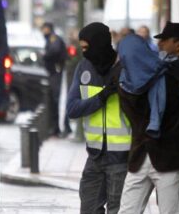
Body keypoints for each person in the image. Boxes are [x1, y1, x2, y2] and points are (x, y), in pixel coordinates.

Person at [117, 22, 179, 214]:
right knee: (127, 210)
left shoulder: (170, 75)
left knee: (170, 211)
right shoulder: (123, 81)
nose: (126, 60)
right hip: (139, 158)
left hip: (168, 157)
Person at [67, 22, 131, 214]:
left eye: (86, 48)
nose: (84, 52)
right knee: (88, 209)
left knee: (117, 210)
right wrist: (101, 97)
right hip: (94, 155)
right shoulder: (83, 68)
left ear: (99, 44)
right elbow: (71, 108)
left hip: (121, 157)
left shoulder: (125, 67)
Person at [41, 22, 69, 137]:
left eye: (44, 29)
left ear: (48, 29)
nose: (42, 32)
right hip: (54, 72)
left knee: (56, 99)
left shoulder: (53, 38)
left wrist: (45, 55)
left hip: (56, 72)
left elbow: (55, 50)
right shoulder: (52, 38)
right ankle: (57, 127)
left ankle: (58, 127)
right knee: (54, 99)